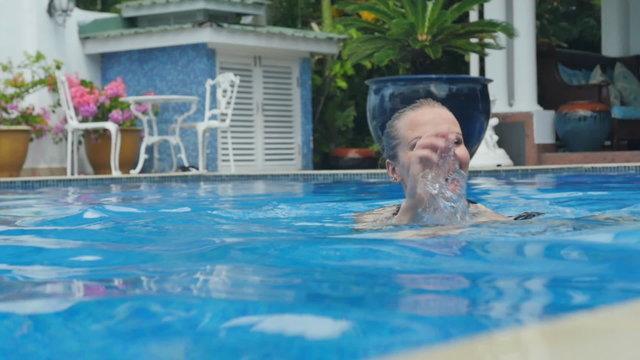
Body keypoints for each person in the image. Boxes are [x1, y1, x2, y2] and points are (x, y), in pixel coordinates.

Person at [355, 99, 540, 230]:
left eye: (456, 142)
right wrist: (413, 208)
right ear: (394, 170)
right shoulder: (370, 223)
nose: (444, 152)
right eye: (420, 145)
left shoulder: (489, 221)